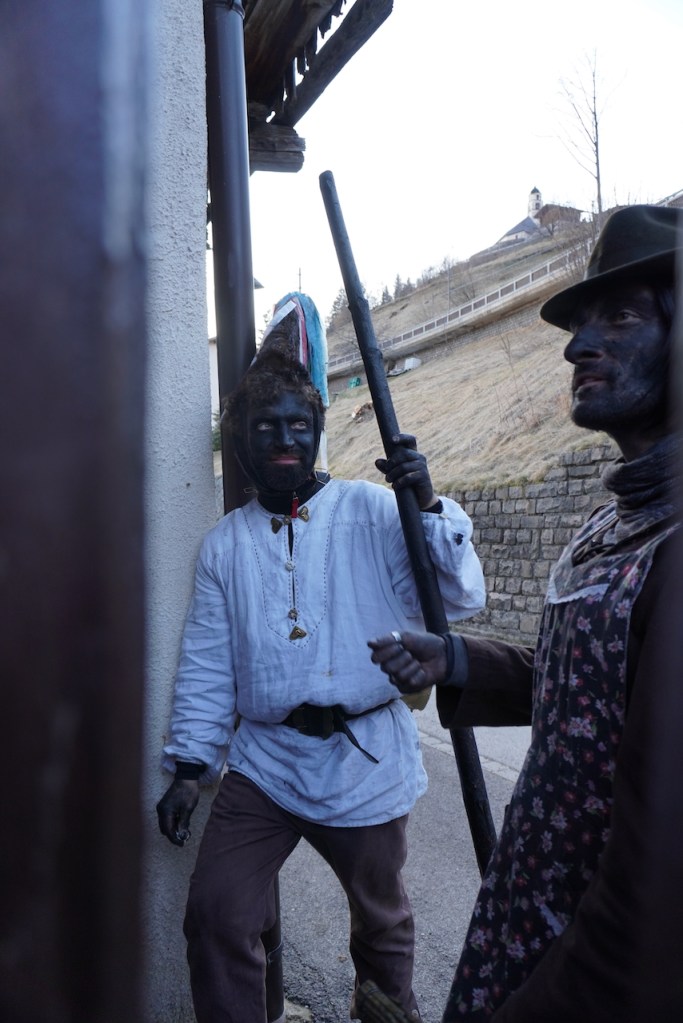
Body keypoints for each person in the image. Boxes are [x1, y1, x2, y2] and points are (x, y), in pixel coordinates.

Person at [368, 205, 682, 1021]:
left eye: (619, 318)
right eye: (578, 326)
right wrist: (455, 658)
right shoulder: (613, 521)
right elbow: (590, 692)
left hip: (592, 970)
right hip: (529, 913)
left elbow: (656, 880)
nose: (577, 346)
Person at [156, 295, 486, 1023]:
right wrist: (189, 767)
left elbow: (459, 597)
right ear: (242, 441)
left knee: (382, 927)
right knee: (216, 915)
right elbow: (208, 663)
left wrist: (428, 505)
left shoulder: (374, 511)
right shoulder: (225, 546)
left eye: (297, 426)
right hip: (266, 763)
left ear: (316, 433)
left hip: (363, 760)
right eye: (265, 427)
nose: (283, 439)